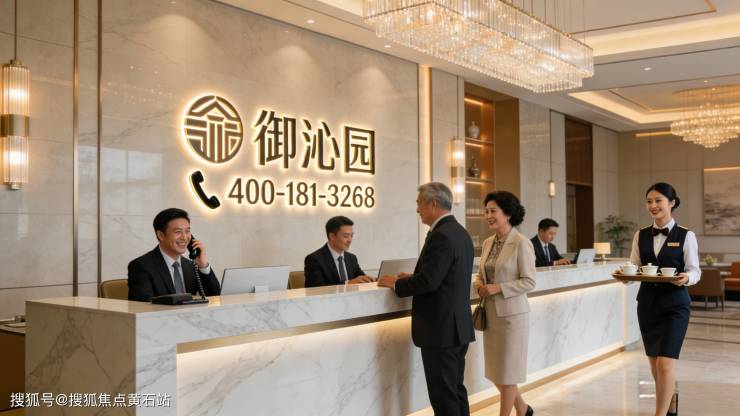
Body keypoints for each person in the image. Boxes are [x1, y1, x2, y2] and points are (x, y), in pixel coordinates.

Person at [378, 182, 474, 416]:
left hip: (441, 330)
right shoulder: (459, 232)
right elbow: (443, 275)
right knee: (455, 390)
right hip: (456, 327)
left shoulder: (442, 235)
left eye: (419, 203)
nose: (417, 209)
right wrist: (414, 277)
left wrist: (396, 284)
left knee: (444, 396)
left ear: (433, 204)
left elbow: (429, 282)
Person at [627, 183, 700, 416]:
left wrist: (687, 278)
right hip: (648, 306)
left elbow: (695, 270)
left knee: (665, 363)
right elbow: (634, 265)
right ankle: (671, 403)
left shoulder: (686, 235)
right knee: (654, 365)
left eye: (658, 200)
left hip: (675, 307)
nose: (653, 205)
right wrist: (627, 276)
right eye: (649, 201)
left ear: (672, 203)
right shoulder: (640, 235)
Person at [473, 191, 535, 416]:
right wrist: (479, 285)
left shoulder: (521, 243)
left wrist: (498, 288)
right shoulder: (488, 242)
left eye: (493, 211)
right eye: (486, 211)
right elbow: (481, 274)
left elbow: (529, 281)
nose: (488, 216)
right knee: (496, 372)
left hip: (512, 318)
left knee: (508, 374)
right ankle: (523, 409)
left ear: (507, 214)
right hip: (491, 316)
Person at [128, 208, 221, 302]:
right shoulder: (141, 266)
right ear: (160, 235)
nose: (184, 237)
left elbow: (216, 298)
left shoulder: (190, 266)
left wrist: (203, 266)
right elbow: (143, 305)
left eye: (187, 231)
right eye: (178, 232)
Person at [304, 216, 374, 287]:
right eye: (346, 236)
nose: (350, 240)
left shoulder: (352, 258)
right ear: (332, 236)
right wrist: (347, 284)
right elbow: (317, 288)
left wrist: (373, 280)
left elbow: (361, 279)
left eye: (351, 236)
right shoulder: (314, 260)